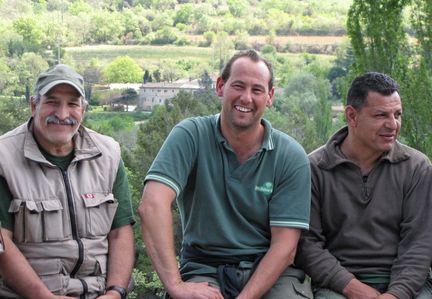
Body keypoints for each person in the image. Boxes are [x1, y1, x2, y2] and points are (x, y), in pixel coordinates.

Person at [138, 49, 312, 299]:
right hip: (204, 268)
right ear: (220, 86)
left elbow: (285, 248)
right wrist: (175, 286)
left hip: (271, 274)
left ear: (270, 97)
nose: (246, 97)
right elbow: (152, 205)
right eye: (238, 86)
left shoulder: (290, 156)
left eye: (257, 90)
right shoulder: (190, 135)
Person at [0, 64, 136, 299]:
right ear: (34, 105)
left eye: (72, 103)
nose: (62, 114)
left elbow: (120, 232)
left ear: (83, 109)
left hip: (100, 293)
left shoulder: (109, 154)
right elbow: (2, 245)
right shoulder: (3, 157)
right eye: (52, 102)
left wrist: (116, 292)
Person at [295, 72, 432, 299]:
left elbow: (419, 242)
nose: (393, 124)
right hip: (338, 284)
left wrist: (396, 294)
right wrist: (352, 288)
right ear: (352, 116)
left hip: (407, 284)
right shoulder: (314, 168)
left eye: (397, 115)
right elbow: (307, 245)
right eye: (381, 115)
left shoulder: (417, 167)